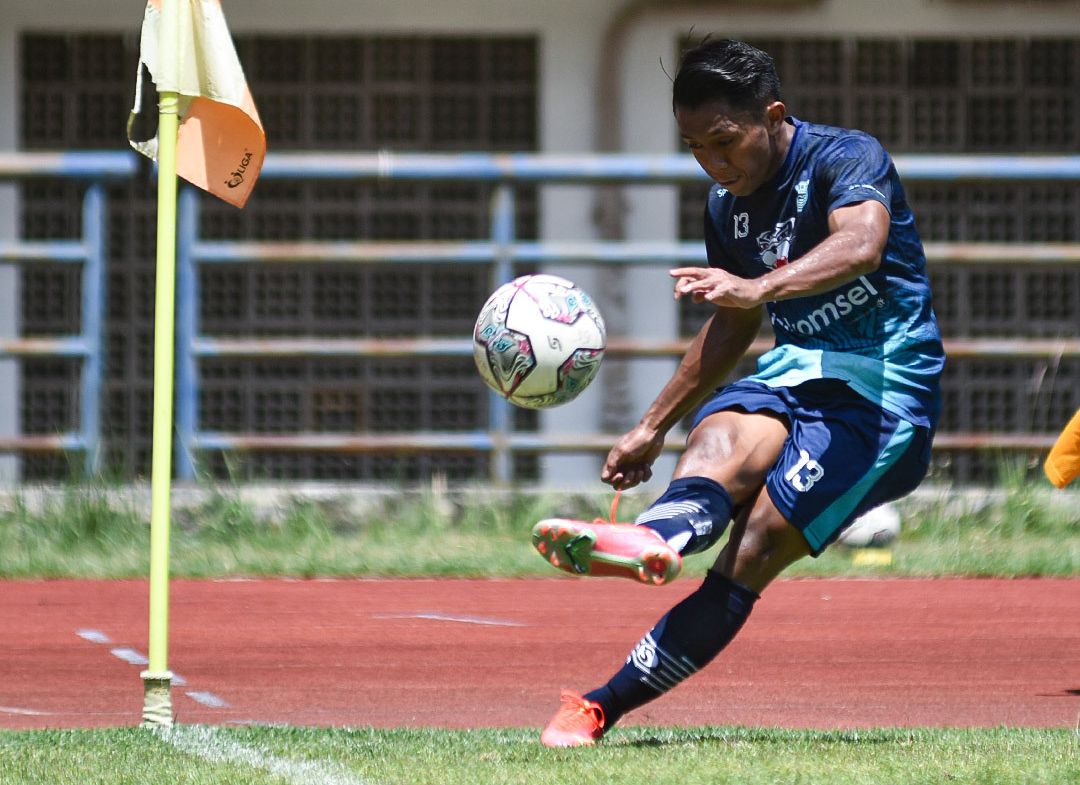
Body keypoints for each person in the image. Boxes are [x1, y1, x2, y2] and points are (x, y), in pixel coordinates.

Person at [530, 38, 945, 748]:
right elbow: (733, 324)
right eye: (694, 147)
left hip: (884, 396)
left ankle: (600, 703)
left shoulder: (845, 158)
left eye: (724, 142)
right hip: (796, 372)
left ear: (772, 116)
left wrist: (757, 286)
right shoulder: (727, 204)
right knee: (718, 439)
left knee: (751, 549)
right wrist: (652, 425)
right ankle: (654, 540)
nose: (714, 163)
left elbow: (862, 245)